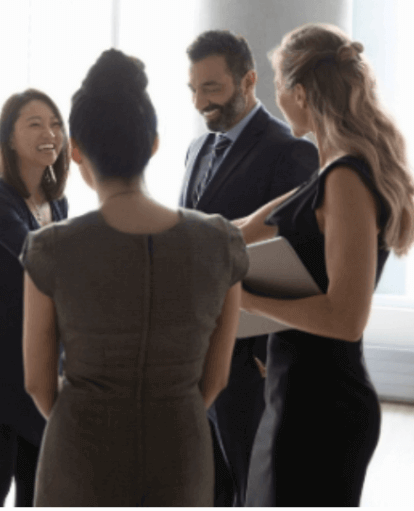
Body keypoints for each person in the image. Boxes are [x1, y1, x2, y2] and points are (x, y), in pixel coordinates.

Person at [22, 49, 247, 506]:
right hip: (180, 449)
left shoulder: (52, 248)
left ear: (77, 149)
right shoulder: (219, 242)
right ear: (154, 144)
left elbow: (38, 384)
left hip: (81, 453)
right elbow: (216, 379)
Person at [234, 23, 414, 506]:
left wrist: (248, 300)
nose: (277, 99)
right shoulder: (327, 176)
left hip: (321, 406)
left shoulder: (345, 179)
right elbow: (239, 230)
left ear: (299, 93)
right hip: (296, 395)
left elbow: (346, 318)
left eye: (278, 87)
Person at [181, 30, 318, 506]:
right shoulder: (196, 150)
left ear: (249, 81)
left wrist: (266, 350)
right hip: (193, 353)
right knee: (205, 484)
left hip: (251, 360)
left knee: (251, 484)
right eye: (194, 89)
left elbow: (299, 259)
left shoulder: (291, 152)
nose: (200, 102)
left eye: (211, 88)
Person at [0, 89, 70, 507]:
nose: (50, 133)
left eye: (56, 124)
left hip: (40, 356)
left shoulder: (57, 204)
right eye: (35, 123)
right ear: (9, 137)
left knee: (35, 483)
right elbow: (41, 261)